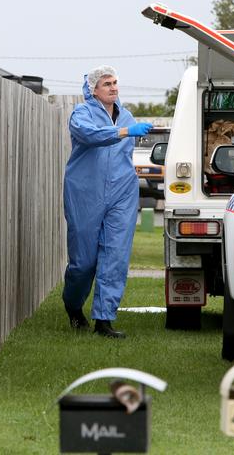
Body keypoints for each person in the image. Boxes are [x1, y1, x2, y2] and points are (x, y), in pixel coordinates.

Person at [62, 65, 152, 339]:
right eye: (106, 83)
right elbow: (89, 136)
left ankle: (104, 319)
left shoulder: (126, 115)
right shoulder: (82, 114)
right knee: (84, 262)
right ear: (93, 90)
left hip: (122, 193)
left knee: (115, 256)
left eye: (115, 82)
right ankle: (73, 305)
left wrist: (126, 129)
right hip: (85, 192)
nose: (113, 87)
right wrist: (124, 132)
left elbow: (122, 156)